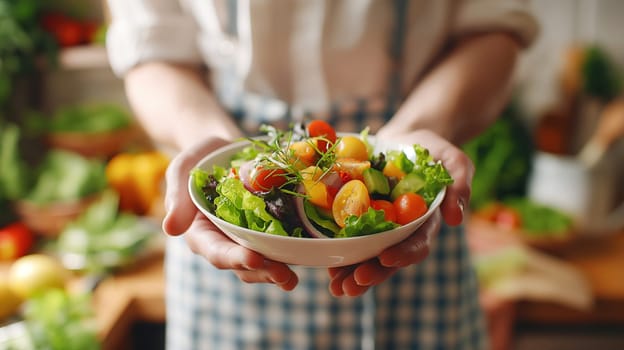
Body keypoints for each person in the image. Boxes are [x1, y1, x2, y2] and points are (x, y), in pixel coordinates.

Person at [106, 1, 538, 348]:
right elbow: (151, 51)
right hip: (231, 251)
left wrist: (413, 136)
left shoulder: (366, 170)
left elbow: (495, 32)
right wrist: (212, 142)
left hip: (412, 237)